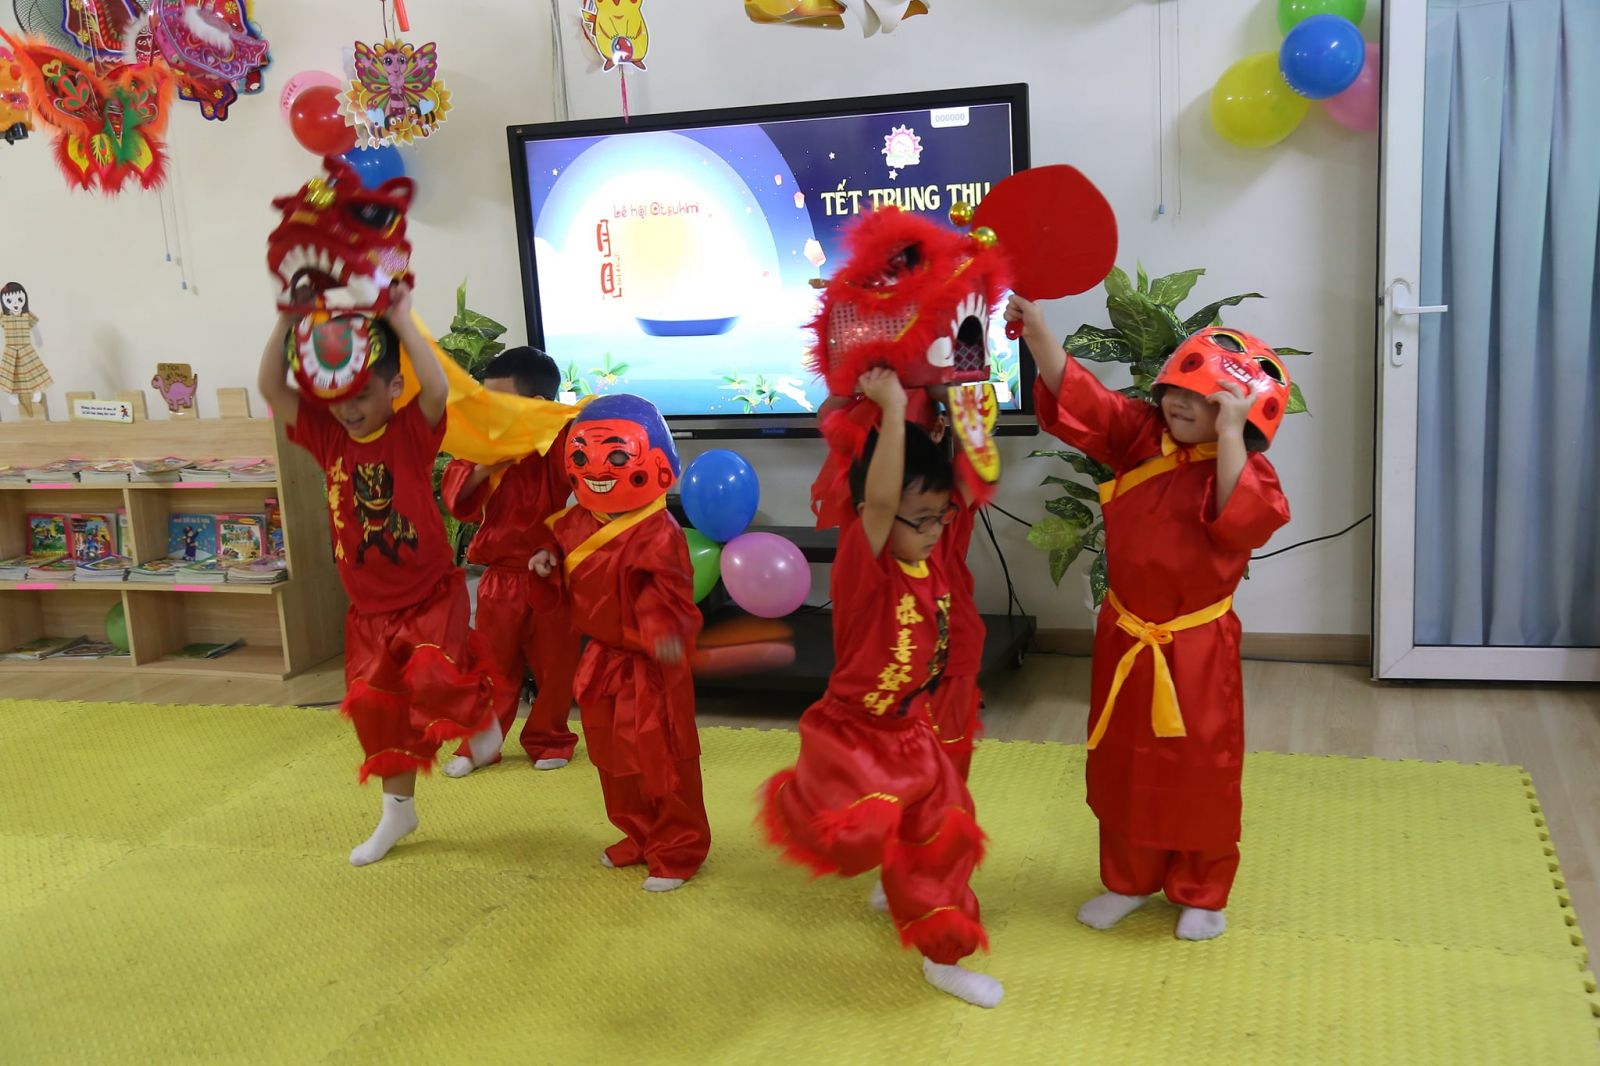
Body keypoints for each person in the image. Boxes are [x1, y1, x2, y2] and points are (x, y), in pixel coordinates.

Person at [1008, 294, 1292, 941]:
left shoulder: (1252, 474)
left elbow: (1240, 518)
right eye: (1176, 392)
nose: (1180, 406)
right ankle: (1128, 879)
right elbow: (1081, 398)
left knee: (1200, 769)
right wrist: (1040, 333)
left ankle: (1203, 890)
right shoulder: (1140, 436)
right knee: (1123, 762)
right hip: (1125, 632)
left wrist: (1227, 438)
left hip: (1196, 648)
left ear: (1241, 416)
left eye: (1204, 401)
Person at [762, 369, 1002, 1009]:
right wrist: (894, 410)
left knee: (946, 834)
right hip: (853, 739)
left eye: (940, 518)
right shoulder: (866, 566)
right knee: (853, 835)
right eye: (919, 519)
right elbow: (879, 502)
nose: (934, 529)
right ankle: (886, 861)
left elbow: (976, 467)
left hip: (910, 732)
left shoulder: (931, 553)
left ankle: (944, 956)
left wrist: (961, 392)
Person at [257, 284, 502, 866]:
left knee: (431, 670)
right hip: (368, 610)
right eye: (339, 397)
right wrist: (287, 320)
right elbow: (271, 387)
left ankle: (479, 720)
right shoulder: (328, 438)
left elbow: (435, 389)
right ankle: (398, 812)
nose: (349, 408)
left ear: (393, 389)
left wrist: (400, 318)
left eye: (363, 394)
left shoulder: (410, 431)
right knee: (377, 710)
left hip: (429, 595)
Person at [527, 394, 710, 892]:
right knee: (611, 756)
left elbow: (670, 596)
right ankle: (640, 833)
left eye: (615, 454)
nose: (597, 469)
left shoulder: (659, 531)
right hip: (602, 659)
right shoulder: (577, 522)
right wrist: (545, 561)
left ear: (656, 462)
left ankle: (679, 847)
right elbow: (557, 547)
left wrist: (662, 630)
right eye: (582, 456)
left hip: (651, 666)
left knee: (662, 757)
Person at [440, 347, 582, 777]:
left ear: (536, 406)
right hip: (500, 578)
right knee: (491, 664)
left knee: (555, 666)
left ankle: (549, 738)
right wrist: (486, 466)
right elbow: (458, 498)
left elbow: (582, 507)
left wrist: (554, 548)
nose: (491, 412)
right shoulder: (485, 443)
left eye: (500, 402)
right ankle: (480, 743)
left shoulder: (564, 440)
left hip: (551, 574)